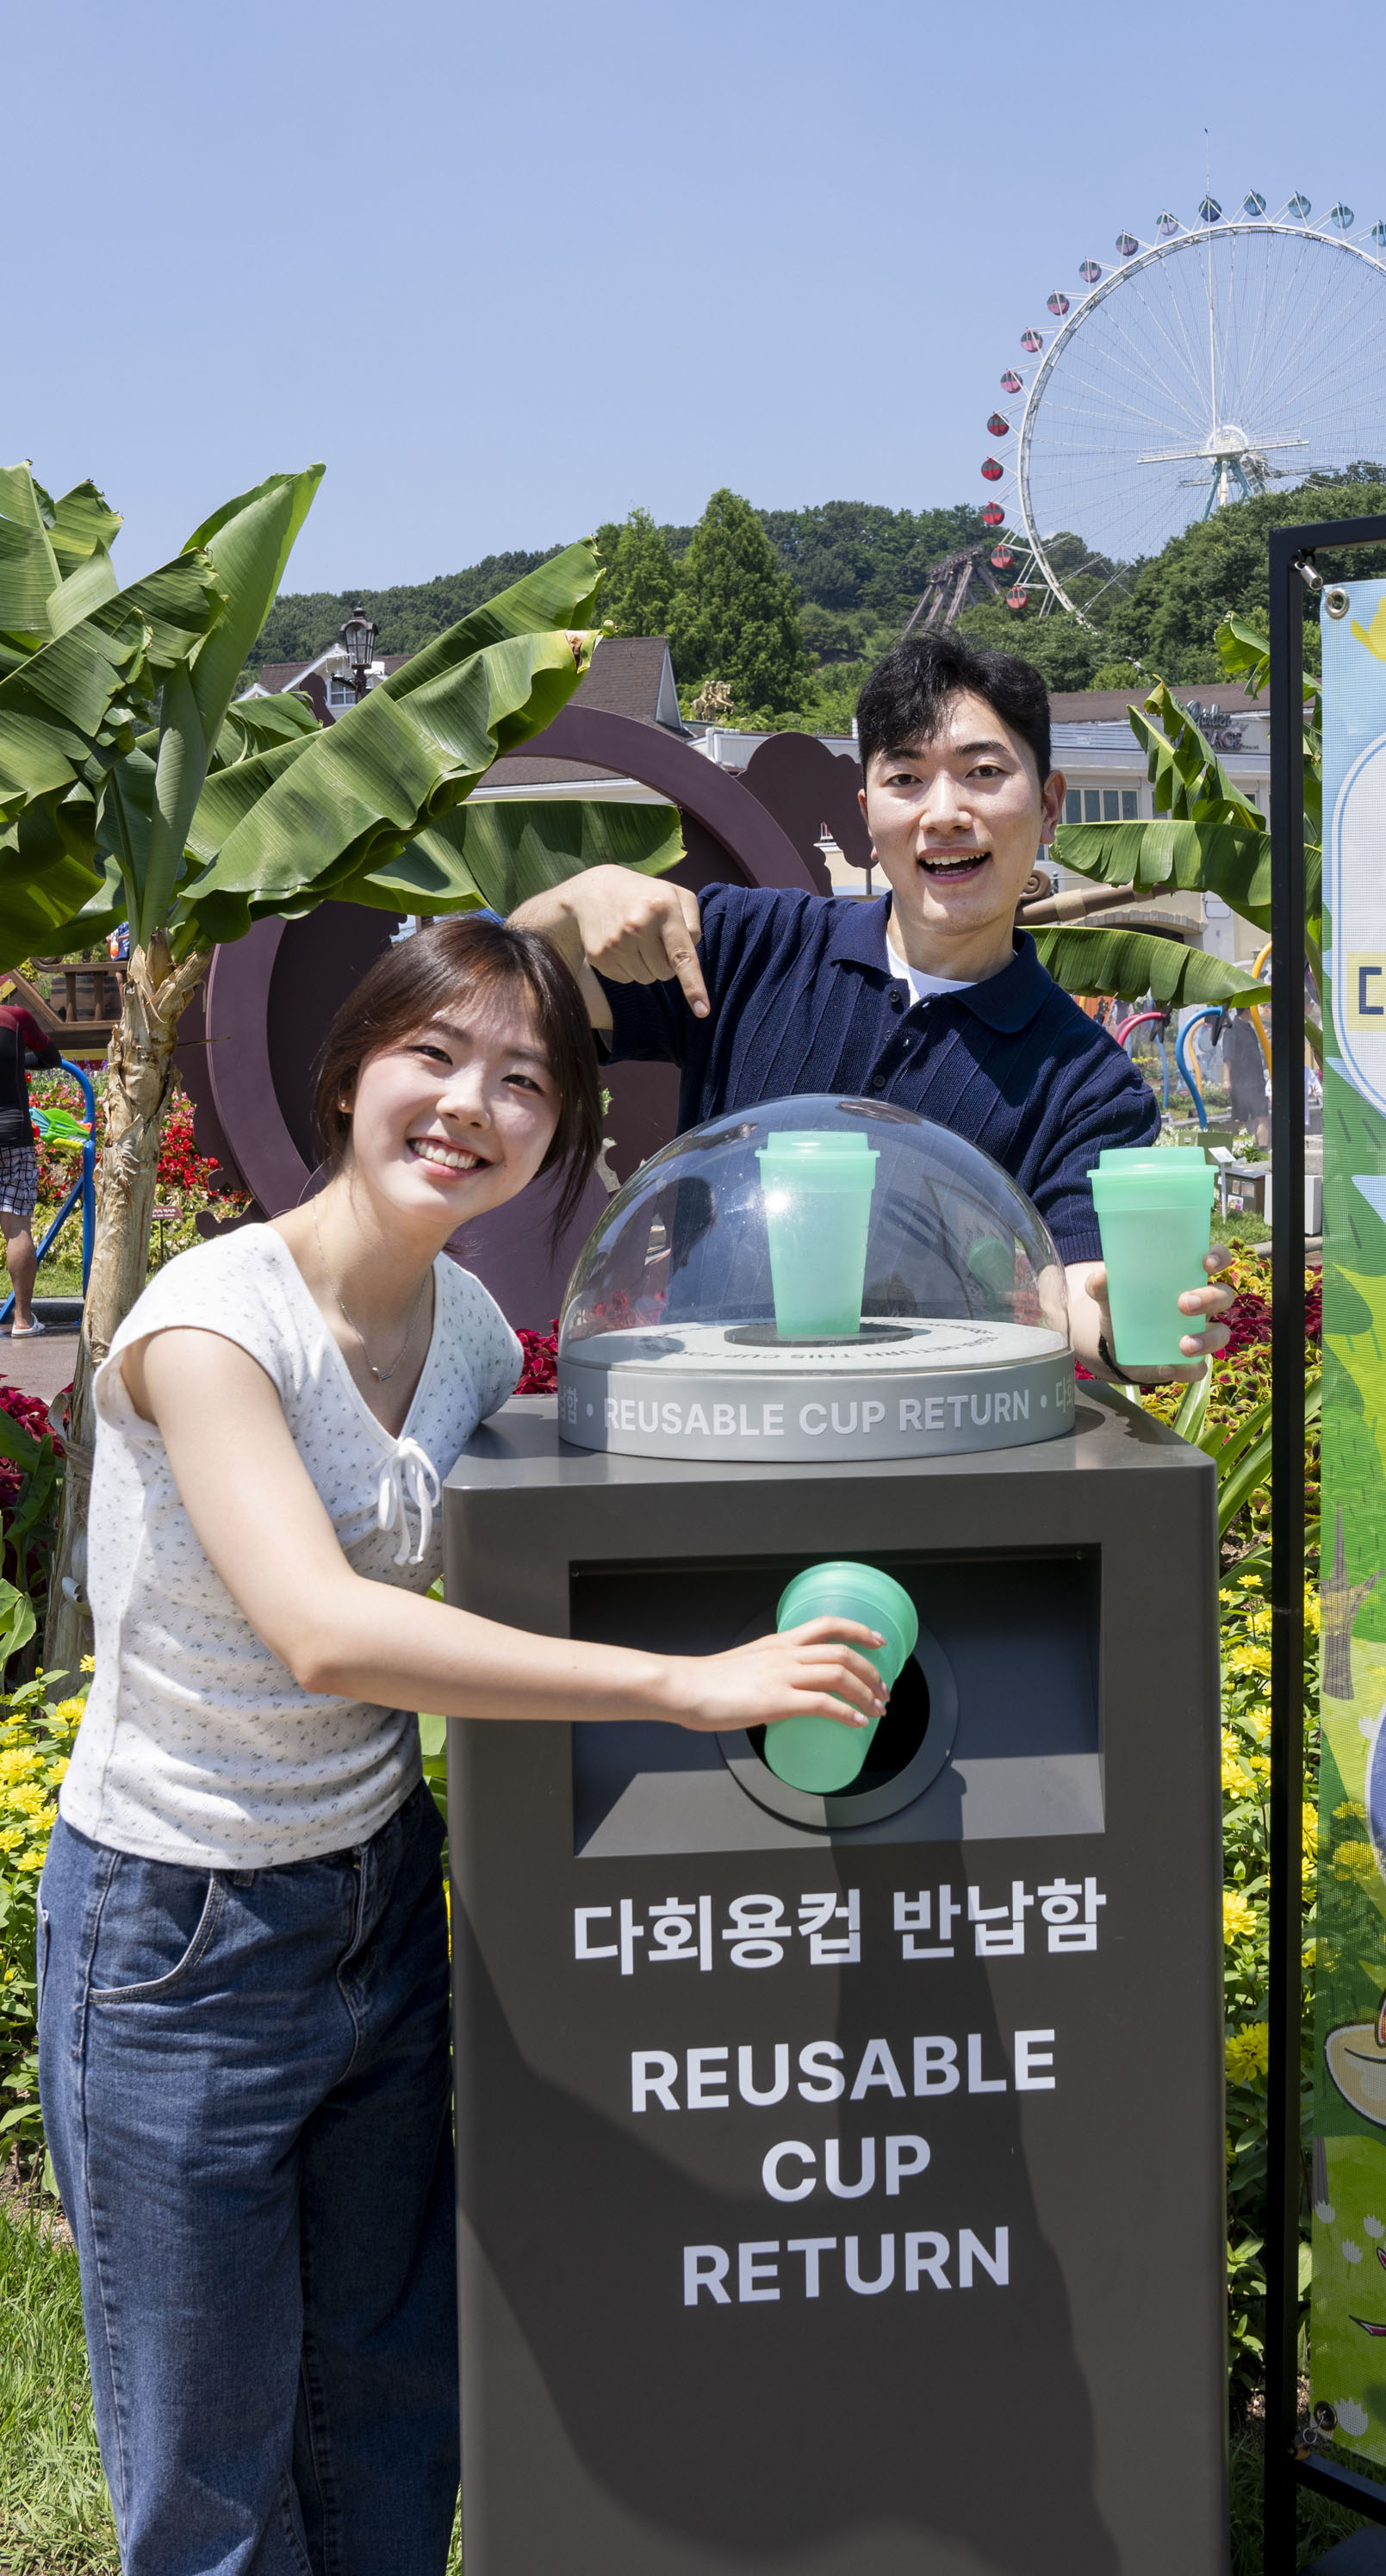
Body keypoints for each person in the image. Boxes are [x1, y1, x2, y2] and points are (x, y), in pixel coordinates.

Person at [37, 918, 890, 2576]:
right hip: (180, 1930)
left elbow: (568, 1512)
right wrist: (681, 1685)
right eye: (433, 1055)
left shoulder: (476, 1339)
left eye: (522, 1082)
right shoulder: (213, 1324)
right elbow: (326, 1629)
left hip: (375, 1900)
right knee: (209, 2454)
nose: (468, 1106)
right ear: (350, 1070)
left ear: (555, 1134)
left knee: (383, 2400)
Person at [509, 636, 1232, 1382]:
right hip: (710, 1419)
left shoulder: (1089, 1084)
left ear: (1049, 806)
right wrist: (569, 906)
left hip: (934, 1435)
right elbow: (507, 1008)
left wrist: (1129, 1332)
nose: (944, 813)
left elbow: (1082, 1291)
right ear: (866, 813)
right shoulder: (743, 945)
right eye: (906, 778)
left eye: (984, 773)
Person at [0, 991, 63, 1336]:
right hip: (13, 1135)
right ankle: (23, 1320)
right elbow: (51, 1058)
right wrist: (17, 1060)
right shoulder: (15, 1017)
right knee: (16, 1226)